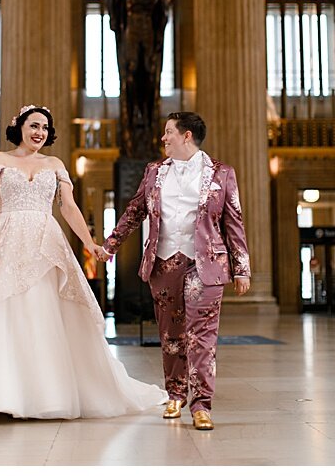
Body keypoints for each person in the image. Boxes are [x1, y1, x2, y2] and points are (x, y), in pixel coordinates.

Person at [0, 104, 165, 419]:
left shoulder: (55, 164)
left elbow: (68, 208)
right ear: (20, 127)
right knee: (3, 308)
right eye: (34, 125)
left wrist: (89, 242)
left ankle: (45, 394)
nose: (40, 133)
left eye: (45, 128)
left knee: (42, 308)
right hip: (4, 239)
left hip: (44, 241)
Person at [103, 111, 251, 431]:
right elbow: (135, 211)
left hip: (206, 264)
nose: (163, 138)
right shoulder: (154, 171)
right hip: (164, 263)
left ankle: (202, 404)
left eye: (168, 132)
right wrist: (111, 245)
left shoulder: (221, 173)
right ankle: (175, 394)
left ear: (186, 136)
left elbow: (233, 222)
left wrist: (242, 268)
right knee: (171, 335)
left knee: (202, 337)